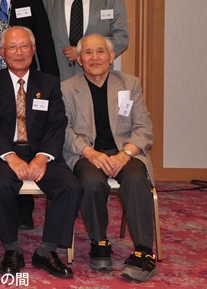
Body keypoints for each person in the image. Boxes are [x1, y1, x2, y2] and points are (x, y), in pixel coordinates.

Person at [0, 26, 83, 278]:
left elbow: (58, 124)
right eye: (12, 47)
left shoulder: (49, 83)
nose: (19, 52)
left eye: (25, 46)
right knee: (0, 186)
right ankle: (11, 249)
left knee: (71, 186)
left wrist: (43, 156)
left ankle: (46, 251)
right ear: (2, 52)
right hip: (2, 153)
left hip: (39, 152)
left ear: (33, 50)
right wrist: (9, 156)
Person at [62, 34, 156, 282]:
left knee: (137, 179)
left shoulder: (130, 84)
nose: (95, 58)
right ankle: (99, 242)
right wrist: (90, 152)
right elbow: (64, 129)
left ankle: (144, 252)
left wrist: (125, 154)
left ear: (112, 56)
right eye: (88, 53)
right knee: (91, 182)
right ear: (80, 59)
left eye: (100, 52)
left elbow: (144, 128)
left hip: (125, 152)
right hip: (86, 152)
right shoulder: (67, 88)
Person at [0, 0, 59, 231]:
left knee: (27, 137)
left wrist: (51, 81)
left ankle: (24, 209)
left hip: (26, 79)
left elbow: (45, 43)